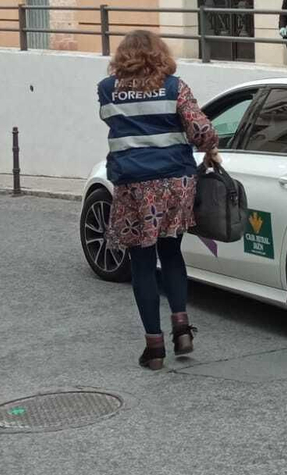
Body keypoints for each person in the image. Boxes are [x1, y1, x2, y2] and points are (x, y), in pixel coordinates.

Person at [97, 30, 222, 370]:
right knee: (171, 251)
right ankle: (181, 327)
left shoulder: (107, 90)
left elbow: (112, 122)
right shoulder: (175, 86)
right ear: (160, 54)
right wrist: (210, 146)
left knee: (141, 263)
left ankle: (154, 348)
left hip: (135, 185)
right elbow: (200, 131)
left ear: (123, 56)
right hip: (175, 182)